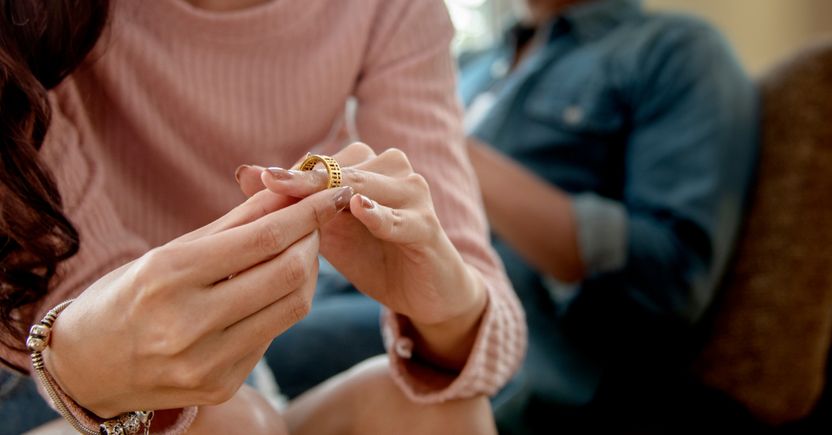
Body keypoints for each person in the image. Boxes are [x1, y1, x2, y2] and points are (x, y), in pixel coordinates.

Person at [0, 0, 525, 434]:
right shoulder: (37, 18)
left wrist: (440, 305)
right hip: (30, 355)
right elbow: (73, 313)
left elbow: (490, 325)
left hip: (212, 350)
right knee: (231, 423)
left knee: (441, 415)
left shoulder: (392, 10)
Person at [461, 0, 757, 432]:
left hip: (513, 350)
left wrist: (447, 145)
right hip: (368, 290)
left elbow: (671, 277)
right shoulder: (469, 66)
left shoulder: (674, 51)